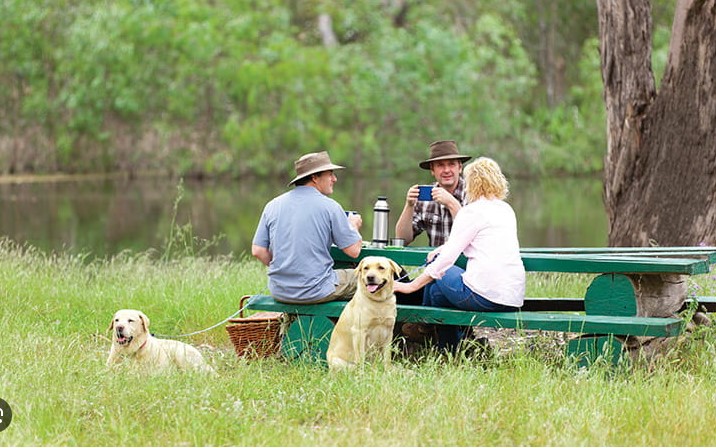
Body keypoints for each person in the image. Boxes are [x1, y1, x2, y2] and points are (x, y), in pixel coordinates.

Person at [393, 157, 526, 351]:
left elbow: (446, 261)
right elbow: (475, 242)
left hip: (485, 296)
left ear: (471, 182)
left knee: (438, 267)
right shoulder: (505, 209)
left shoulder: (472, 211)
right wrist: (441, 250)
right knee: (437, 294)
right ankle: (448, 349)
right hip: (512, 298)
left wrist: (410, 286)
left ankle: (422, 328)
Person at [252, 151, 363, 304]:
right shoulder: (330, 206)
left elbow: (257, 251)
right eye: (330, 174)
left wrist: (284, 268)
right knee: (370, 277)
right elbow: (354, 251)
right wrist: (353, 226)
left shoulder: (272, 205)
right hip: (315, 291)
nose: (334, 179)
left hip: (279, 291)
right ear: (315, 177)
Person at [394, 140, 472, 247]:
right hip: (435, 262)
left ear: (459, 167)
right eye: (440, 165)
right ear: (432, 170)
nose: (446, 170)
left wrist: (451, 203)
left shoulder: (473, 194)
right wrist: (409, 205)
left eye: (451, 164)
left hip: (466, 262)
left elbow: (472, 236)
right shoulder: (425, 197)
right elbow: (402, 240)